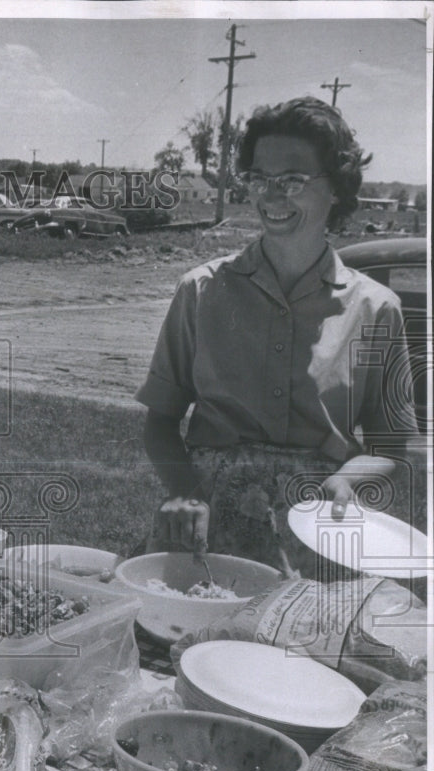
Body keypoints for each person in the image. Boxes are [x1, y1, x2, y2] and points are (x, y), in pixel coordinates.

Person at [136, 96, 417, 577]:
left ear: (337, 190)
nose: (271, 195)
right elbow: (160, 421)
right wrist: (184, 490)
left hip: (319, 532)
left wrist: (350, 477)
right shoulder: (200, 291)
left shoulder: (376, 310)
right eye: (259, 179)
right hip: (204, 527)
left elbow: (391, 449)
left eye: (292, 180)